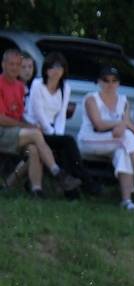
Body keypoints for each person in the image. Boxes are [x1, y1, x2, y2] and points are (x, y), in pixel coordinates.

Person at [78, 65, 134, 210]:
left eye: (114, 81)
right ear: (99, 82)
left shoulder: (124, 101)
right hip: (90, 140)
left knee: (124, 152)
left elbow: (125, 129)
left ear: (118, 83)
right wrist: (124, 123)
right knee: (125, 137)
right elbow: (99, 125)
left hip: (115, 140)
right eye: (106, 80)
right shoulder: (92, 99)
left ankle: (127, 201)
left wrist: (124, 124)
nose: (110, 84)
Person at [0, 48, 81, 197]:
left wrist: (29, 125)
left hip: (13, 132)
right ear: (3, 64)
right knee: (36, 134)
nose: (15, 68)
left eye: (18, 64)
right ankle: (58, 173)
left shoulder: (20, 87)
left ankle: (35, 190)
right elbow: (2, 118)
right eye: (11, 64)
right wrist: (28, 126)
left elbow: (19, 115)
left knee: (34, 149)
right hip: (2, 131)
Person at [25, 51, 98, 196]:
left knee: (65, 147)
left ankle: (72, 192)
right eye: (53, 67)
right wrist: (52, 134)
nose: (56, 71)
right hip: (36, 128)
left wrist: (57, 134)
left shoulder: (66, 88)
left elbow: (61, 116)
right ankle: (85, 180)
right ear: (47, 69)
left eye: (60, 67)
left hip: (53, 129)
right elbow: (38, 112)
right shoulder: (37, 85)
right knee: (68, 141)